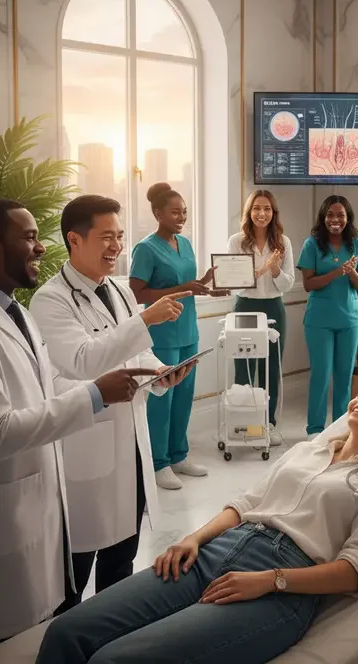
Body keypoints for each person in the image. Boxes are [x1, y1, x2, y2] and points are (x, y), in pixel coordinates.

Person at [0, 199, 161, 664]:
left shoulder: (17, 313)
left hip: (43, 497)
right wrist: (95, 394)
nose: (40, 247)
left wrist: (143, 376)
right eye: (28, 237)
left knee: (40, 631)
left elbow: (45, 392)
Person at [35, 378, 358, 664]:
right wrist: (195, 538)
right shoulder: (309, 449)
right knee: (67, 632)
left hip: (280, 586)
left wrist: (271, 580)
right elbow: (246, 502)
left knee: (114, 660)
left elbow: (355, 571)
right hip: (215, 551)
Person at [29, 195, 195, 612]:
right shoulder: (50, 300)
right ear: (74, 239)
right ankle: (67, 638)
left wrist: (160, 374)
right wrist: (146, 319)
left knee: (122, 556)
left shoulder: (118, 290)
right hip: (87, 444)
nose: (116, 246)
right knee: (75, 565)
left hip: (130, 446)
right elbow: (84, 360)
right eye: (106, 237)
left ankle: (110, 631)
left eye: (120, 236)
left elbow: (133, 354)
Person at [129, 183, 228, 490]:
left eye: (184, 211)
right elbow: (138, 292)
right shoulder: (145, 248)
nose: (181, 216)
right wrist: (183, 287)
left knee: (183, 396)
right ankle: (158, 463)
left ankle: (178, 455)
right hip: (162, 333)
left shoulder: (185, 243)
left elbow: (187, 286)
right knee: (163, 399)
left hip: (188, 329)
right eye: (175, 211)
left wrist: (206, 286)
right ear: (157, 213)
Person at [226, 189, 295, 446]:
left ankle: (270, 424)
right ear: (249, 212)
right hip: (245, 307)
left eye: (267, 208)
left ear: (273, 212)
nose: (261, 213)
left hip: (274, 309)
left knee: (271, 369)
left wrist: (275, 271)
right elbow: (235, 282)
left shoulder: (283, 243)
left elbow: (288, 285)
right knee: (243, 367)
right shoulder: (236, 241)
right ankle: (243, 424)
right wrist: (264, 269)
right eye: (256, 208)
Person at [298, 195, 358, 438]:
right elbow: (308, 284)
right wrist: (337, 271)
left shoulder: (357, 245)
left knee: (344, 376)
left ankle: (341, 427)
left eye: (340, 215)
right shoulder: (312, 245)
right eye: (330, 215)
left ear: (348, 218)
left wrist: (350, 273)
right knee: (321, 374)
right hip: (319, 320)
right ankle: (315, 429)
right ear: (323, 217)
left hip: (349, 320)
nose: (335, 219)